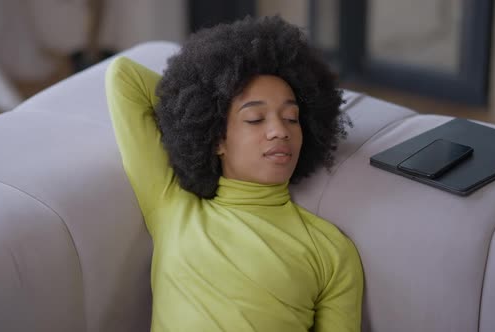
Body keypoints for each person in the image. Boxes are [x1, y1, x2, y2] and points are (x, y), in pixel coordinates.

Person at [105, 15, 363, 332]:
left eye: (292, 118)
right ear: (217, 139)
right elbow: (123, 77)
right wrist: (196, 101)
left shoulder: (332, 250)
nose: (279, 131)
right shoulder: (172, 207)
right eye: (256, 118)